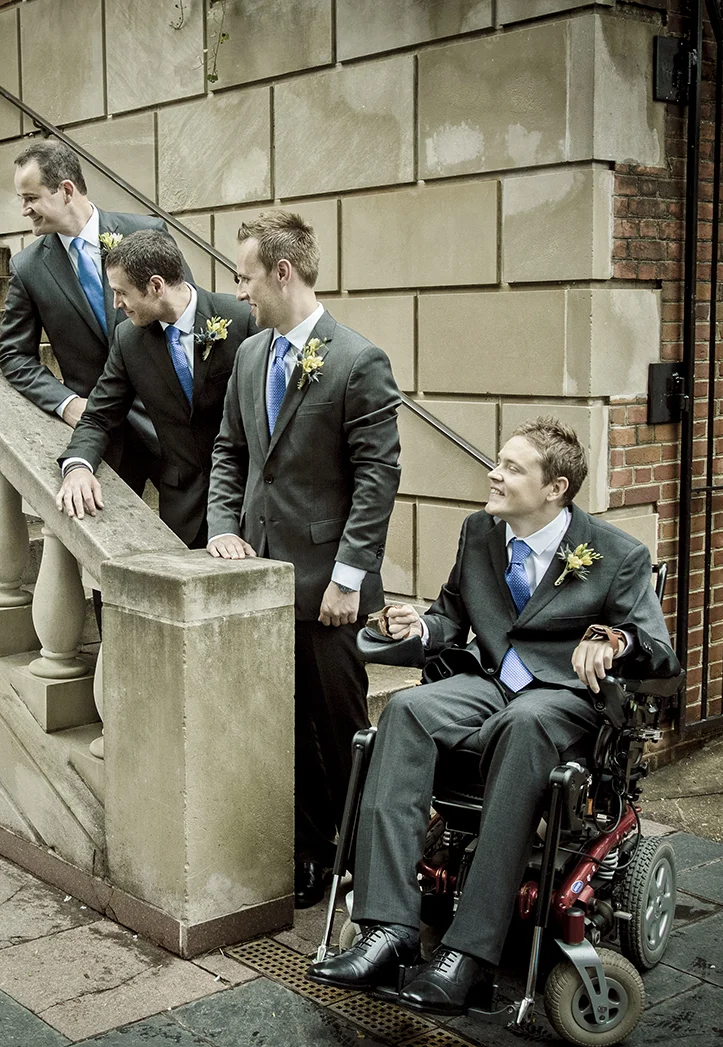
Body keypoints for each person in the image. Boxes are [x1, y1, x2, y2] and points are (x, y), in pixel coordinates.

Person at [307, 418, 679, 1014]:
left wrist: (613, 643)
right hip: (490, 683)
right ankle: (389, 929)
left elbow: (659, 653)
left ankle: (469, 956)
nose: (493, 474)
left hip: (563, 701)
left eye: (511, 467)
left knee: (524, 723)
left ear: (555, 488)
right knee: (405, 711)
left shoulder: (617, 555)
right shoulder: (478, 532)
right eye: (497, 461)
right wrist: (420, 625)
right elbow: (452, 618)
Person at [205, 209, 402, 909]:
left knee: (338, 727)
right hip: (258, 577)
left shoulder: (357, 361)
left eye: (244, 276)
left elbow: (377, 477)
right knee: (280, 721)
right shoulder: (250, 356)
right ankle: (311, 853)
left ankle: (367, 857)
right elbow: (229, 450)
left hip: (329, 588)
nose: (238, 291)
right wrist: (222, 526)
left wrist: (349, 577)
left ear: (281, 273)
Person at [0, 139, 180, 493]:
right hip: (101, 437)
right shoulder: (27, 268)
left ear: (66, 190)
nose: (24, 209)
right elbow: (14, 355)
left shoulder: (146, 233)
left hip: (170, 425)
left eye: (31, 198)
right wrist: (65, 403)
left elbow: (184, 315)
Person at [56, 230, 257, 547]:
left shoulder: (241, 319)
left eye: (121, 292)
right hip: (182, 511)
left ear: (156, 286)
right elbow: (99, 416)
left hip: (247, 505)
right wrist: (78, 466)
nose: (116, 303)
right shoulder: (128, 340)